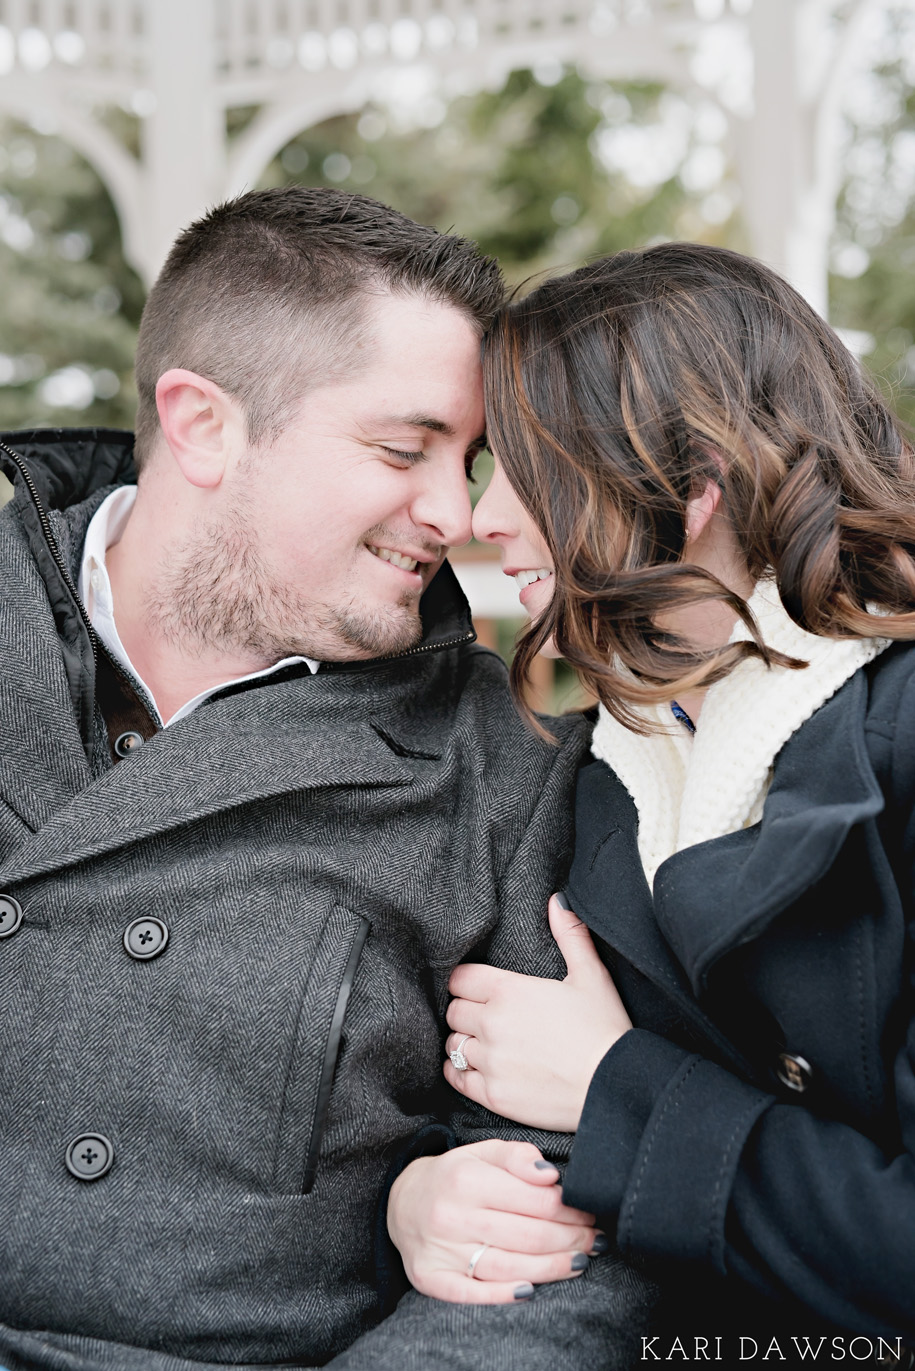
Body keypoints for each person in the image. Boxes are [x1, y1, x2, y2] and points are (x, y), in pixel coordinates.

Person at [0, 188, 658, 1371]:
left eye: (468, 462)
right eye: (403, 450)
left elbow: (558, 1246)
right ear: (202, 426)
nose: (455, 515)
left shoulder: (505, 768)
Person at [387, 243, 915, 1354]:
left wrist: (617, 1087)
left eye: (523, 468)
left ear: (693, 486)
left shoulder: (895, 743)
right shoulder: (594, 767)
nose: (485, 518)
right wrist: (422, 1198)